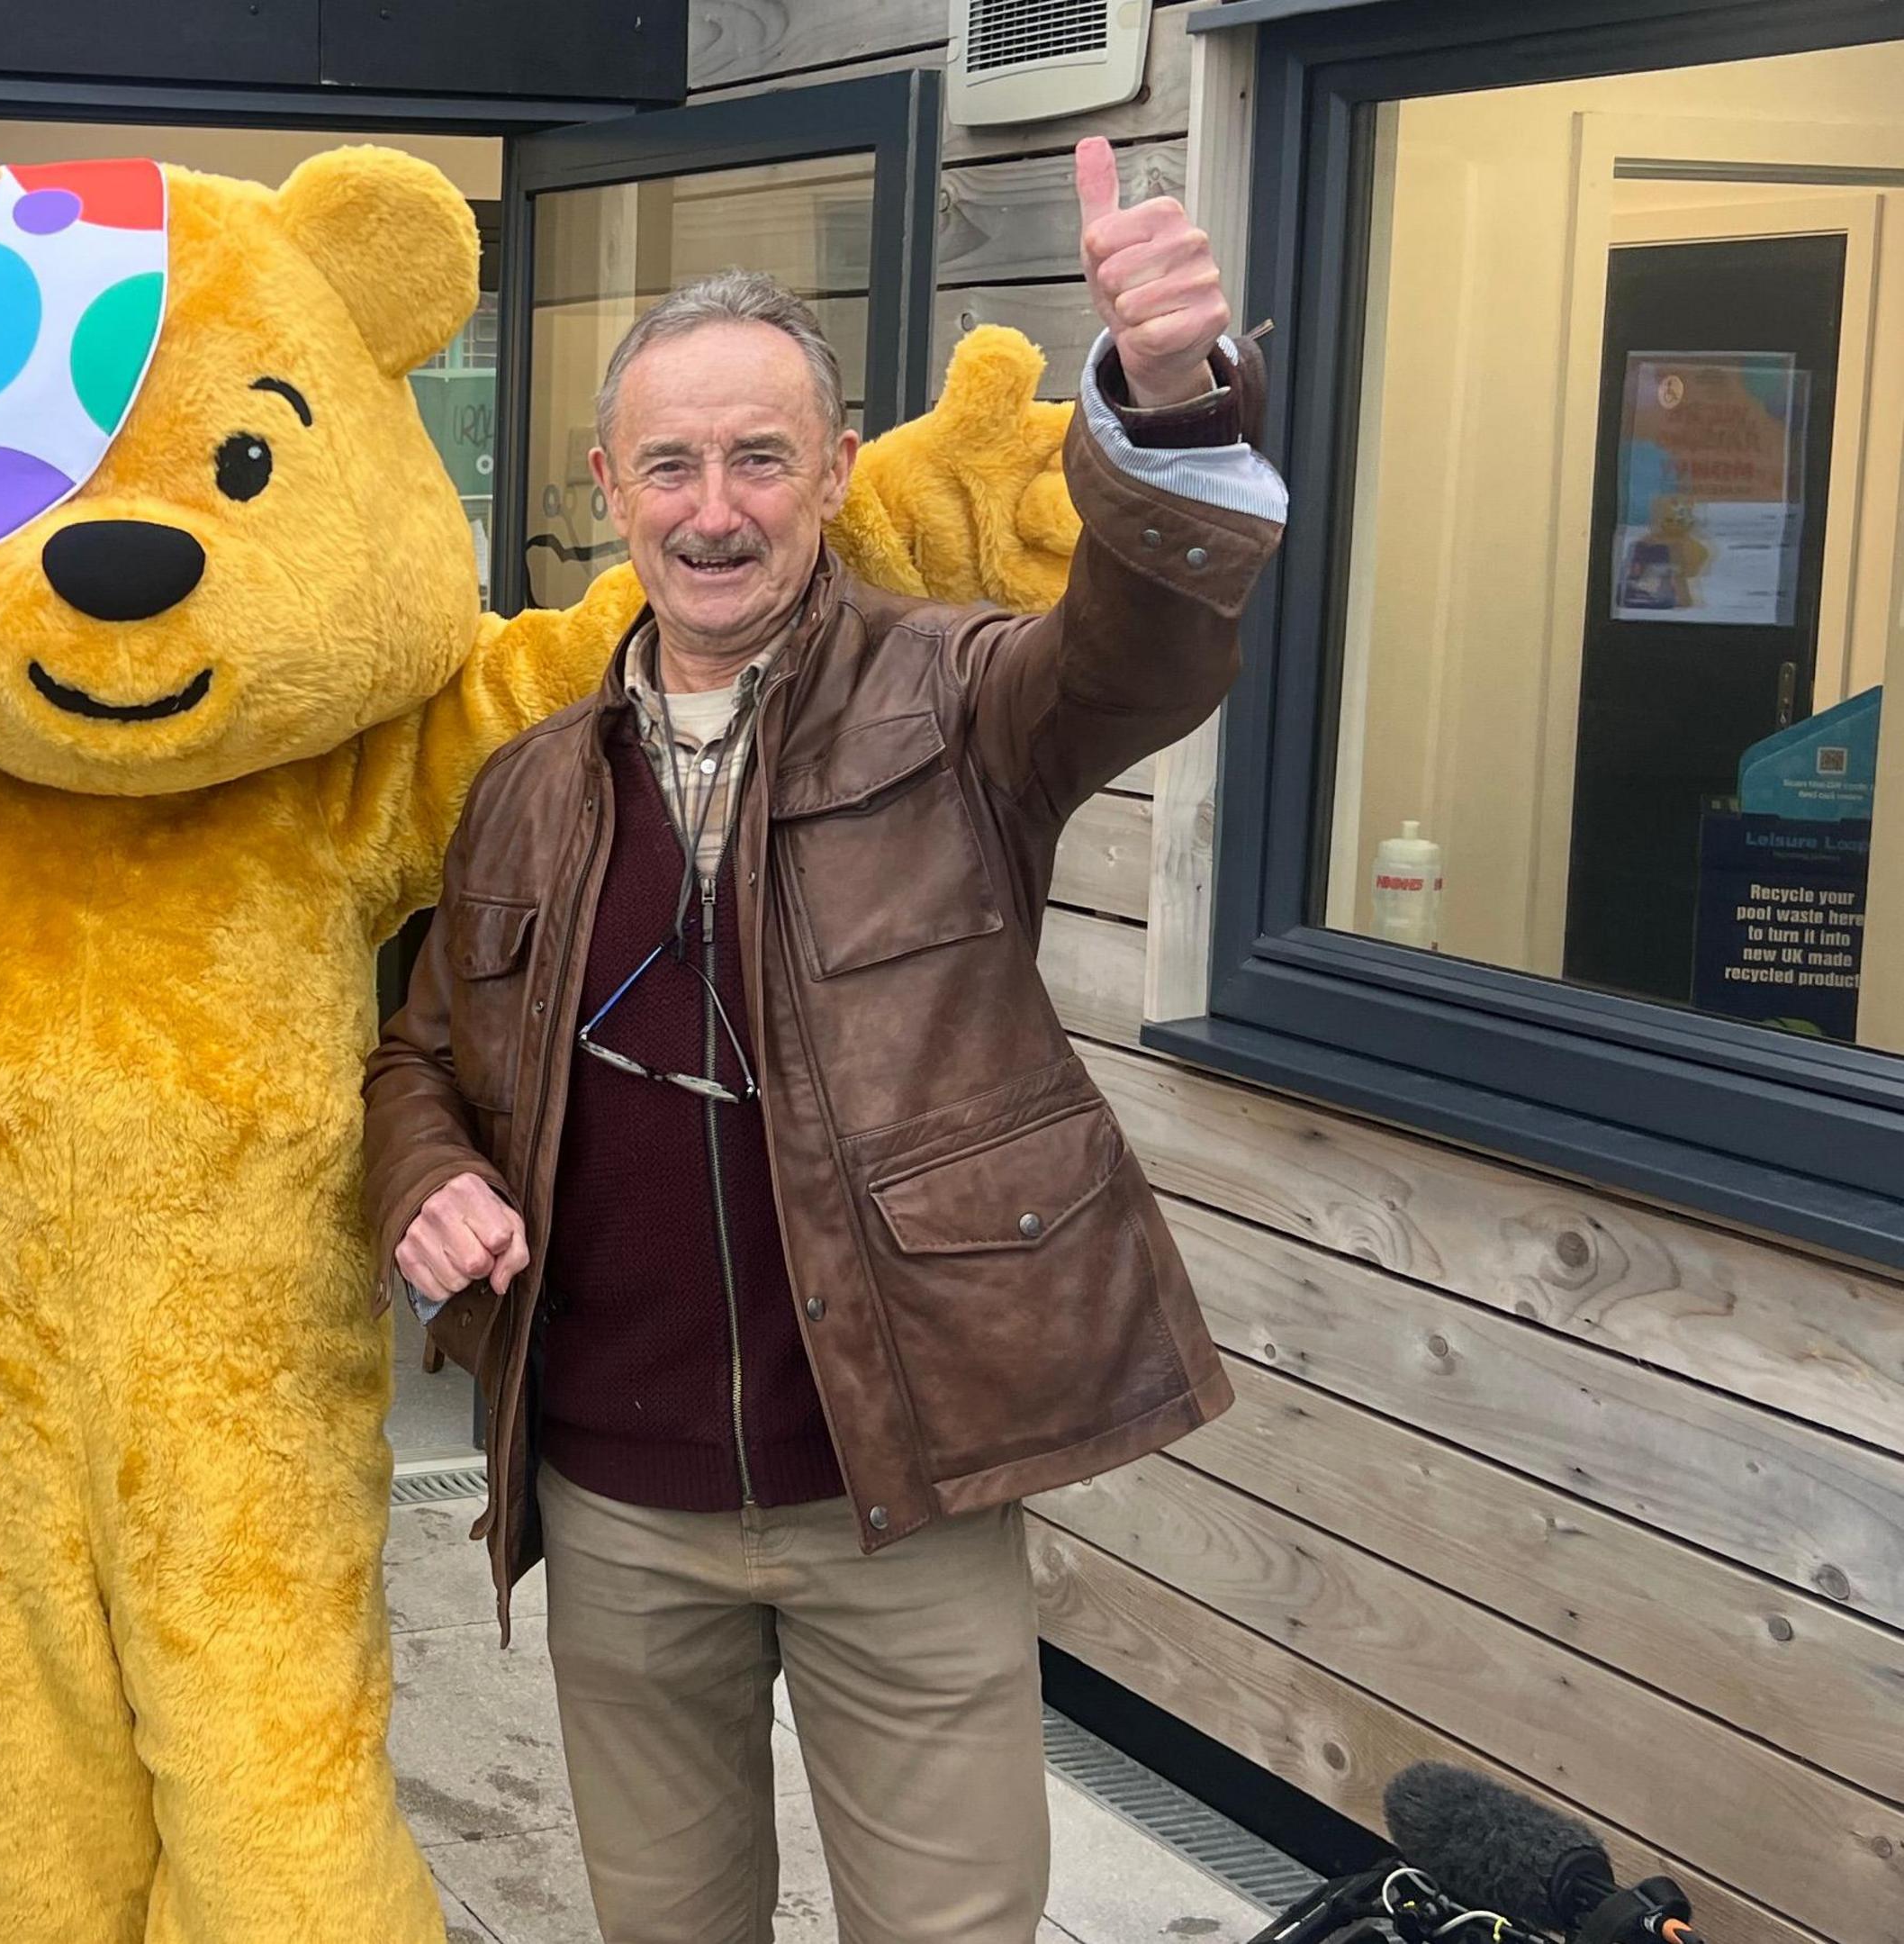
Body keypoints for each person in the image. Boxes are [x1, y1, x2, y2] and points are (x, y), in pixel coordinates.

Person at [360, 140, 1284, 1943]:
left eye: (761, 459)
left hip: (897, 1501)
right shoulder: (531, 788)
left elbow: (1144, 651)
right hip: (614, 1512)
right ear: (609, 483)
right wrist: (429, 1179)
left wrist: (1163, 411)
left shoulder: (965, 702)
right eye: (676, 464)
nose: (717, 509)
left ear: (835, 472)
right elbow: (419, 1060)